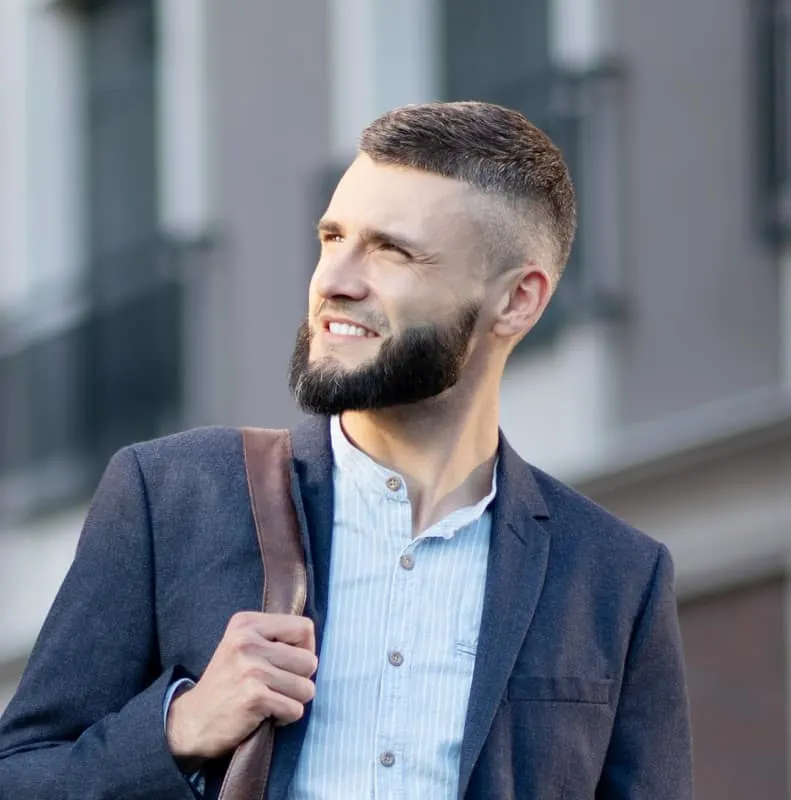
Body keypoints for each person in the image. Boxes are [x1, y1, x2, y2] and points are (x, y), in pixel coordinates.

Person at [0, 101, 692, 799]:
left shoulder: (616, 578)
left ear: (517, 300)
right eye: (333, 238)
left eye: (393, 251)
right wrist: (178, 729)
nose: (335, 279)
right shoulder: (171, 495)